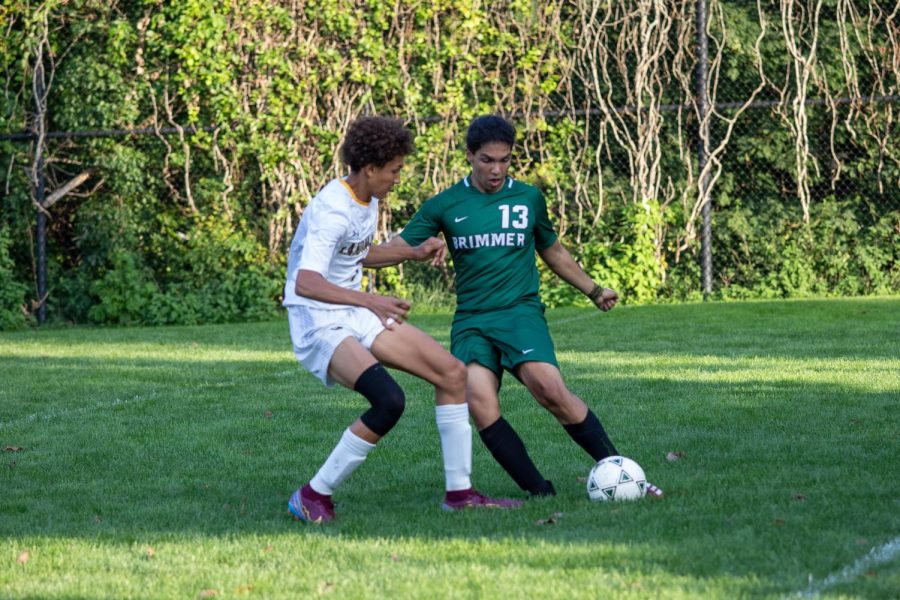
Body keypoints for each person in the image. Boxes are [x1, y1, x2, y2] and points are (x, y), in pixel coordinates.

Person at [384, 115, 664, 498]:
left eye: (504, 159)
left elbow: (552, 249)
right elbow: (396, 247)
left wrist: (594, 290)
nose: (496, 169)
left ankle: (628, 477)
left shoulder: (528, 197)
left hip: (519, 313)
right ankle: (539, 493)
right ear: (469, 155)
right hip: (472, 321)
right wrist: (360, 253)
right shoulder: (445, 205)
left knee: (549, 388)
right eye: (486, 160)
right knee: (479, 402)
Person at [283, 116, 521, 524]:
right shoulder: (332, 209)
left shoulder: (366, 199)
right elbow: (306, 282)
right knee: (389, 401)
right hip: (319, 320)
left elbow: (355, 254)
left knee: (451, 373)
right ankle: (311, 495)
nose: (397, 178)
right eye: (393, 170)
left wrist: (411, 252)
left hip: (354, 309)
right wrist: (370, 300)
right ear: (370, 168)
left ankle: (460, 494)